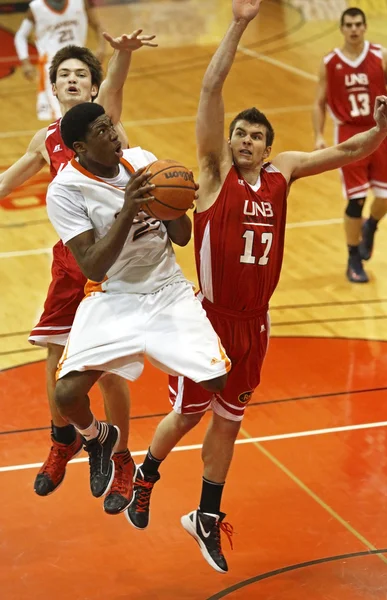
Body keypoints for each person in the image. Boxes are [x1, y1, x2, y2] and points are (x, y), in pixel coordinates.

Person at [123, 0, 387, 575]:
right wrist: (240, 22)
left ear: (268, 147)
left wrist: (382, 129)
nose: (246, 141)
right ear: (229, 141)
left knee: (229, 419)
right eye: (239, 134)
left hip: (257, 324)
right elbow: (209, 89)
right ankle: (145, 471)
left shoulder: (284, 171)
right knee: (190, 414)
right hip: (209, 321)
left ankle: (205, 516)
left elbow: (349, 151)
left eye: (255, 136)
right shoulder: (212, 172)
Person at [44, 101, 231, 516]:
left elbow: (181, 237)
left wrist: (174, 203)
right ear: (79, 146)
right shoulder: (65, 190)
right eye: (101, 130)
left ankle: (147, 460)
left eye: (110, 125)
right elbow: (92, 264)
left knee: (217, 380)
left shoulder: (142, 161)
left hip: (166, 289)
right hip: (113, 295)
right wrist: (130, 208)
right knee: (67, 395)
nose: (113, 134)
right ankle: (96, 437)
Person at [0, 30, 157, 515]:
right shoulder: (47, 139)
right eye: (63, 74)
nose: (71, 80)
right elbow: (13, 176)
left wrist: (123, 55)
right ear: (54, 87)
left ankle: (124, 458)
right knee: (54, 354)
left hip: (110, 266)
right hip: (71, 264)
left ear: (92, 88)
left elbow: (114, 86)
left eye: (80, 75)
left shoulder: (105, 122)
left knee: (107, 371)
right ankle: (64, 439)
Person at [312, 6, 387, 283]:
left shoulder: (381, 56)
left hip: (380, 131)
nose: (353, 29)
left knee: (386, 199)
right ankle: (353, 257)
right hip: (349, 135)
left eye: (358, 24)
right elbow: (318, 102)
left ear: (365, 27)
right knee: (357, 199)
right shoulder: (330, 61)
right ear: (341, 29)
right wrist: (318, 135)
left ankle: (372, 226)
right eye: (349, 25)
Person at [14, 0, 106, 121]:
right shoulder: (36, 8)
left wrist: (101, 48)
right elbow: (20, 36)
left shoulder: (79, 2)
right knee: (62, 115)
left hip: (80, 62)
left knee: (89, 111)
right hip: (53, 67)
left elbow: (98, 25)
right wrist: (25, 62)